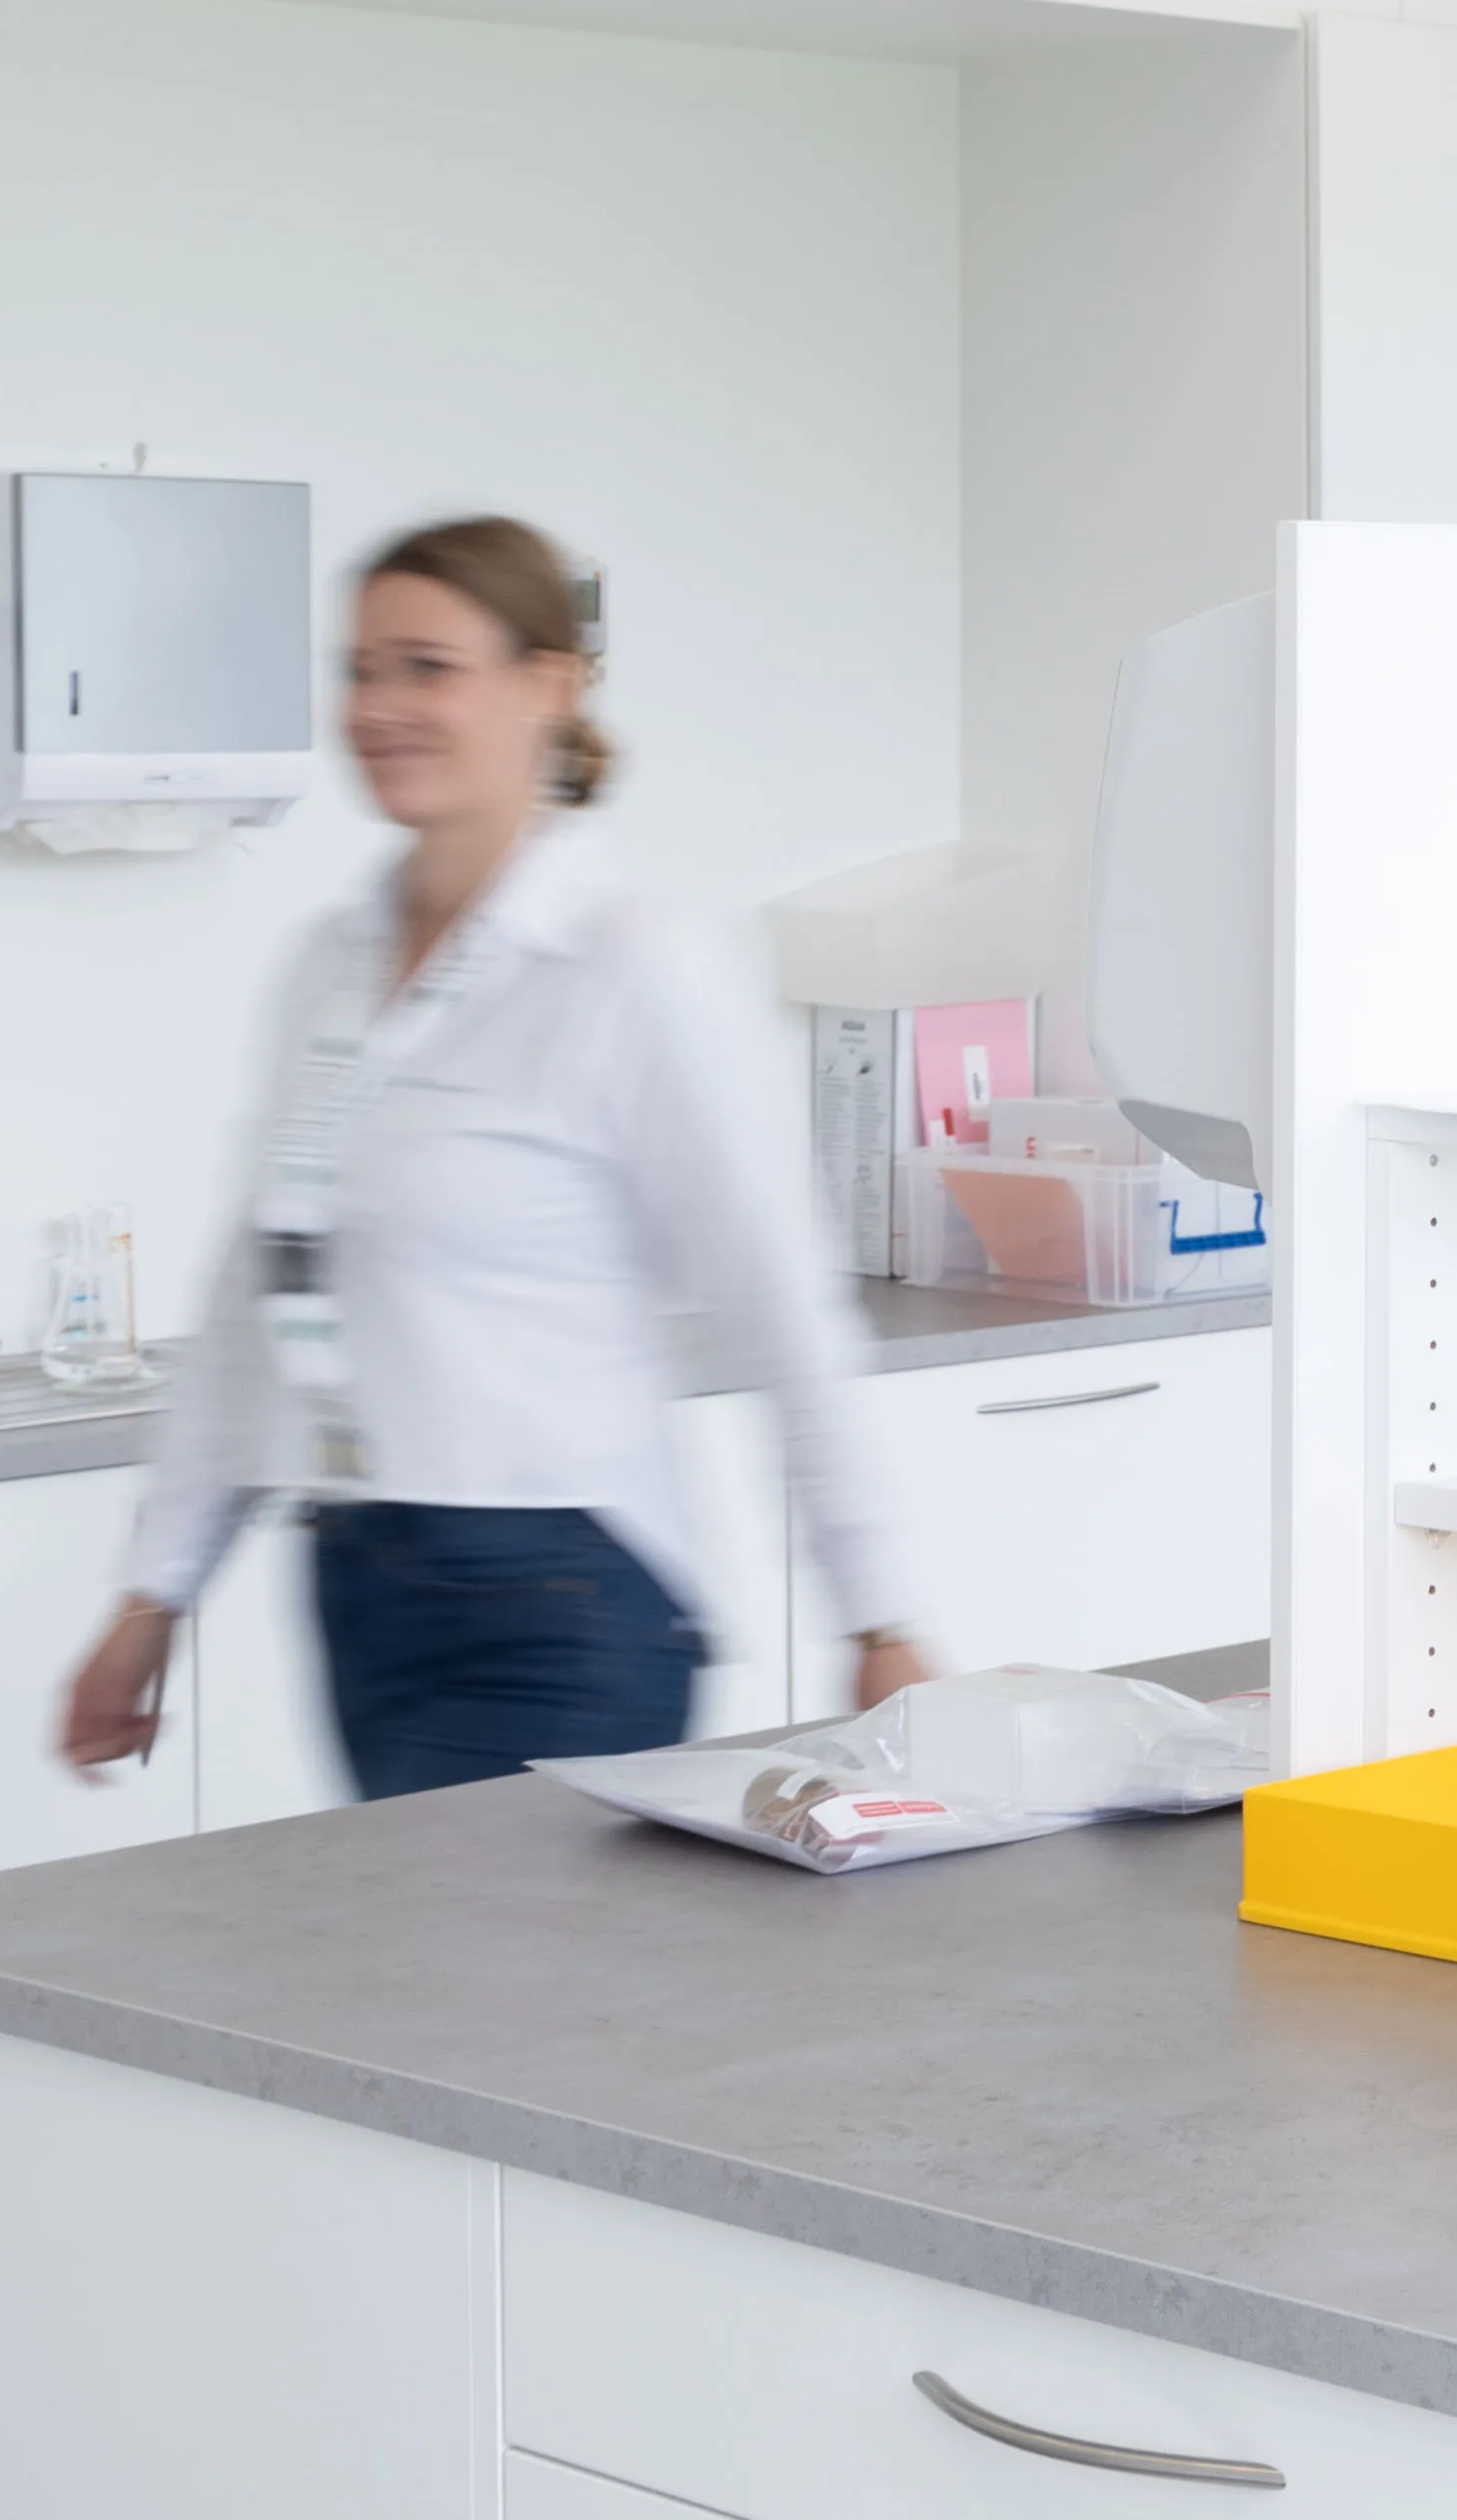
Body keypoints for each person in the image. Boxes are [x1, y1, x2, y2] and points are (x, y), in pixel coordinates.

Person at [56, 515, 924, 1796]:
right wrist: (152, 1595)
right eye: (359, 669)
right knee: (409, 1994)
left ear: (547, 686)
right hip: (358, 1582)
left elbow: (778, 1302)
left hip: (562, 1603)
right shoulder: (331, 969)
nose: (380, 705)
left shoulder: (631, 964)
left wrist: (880, 1617)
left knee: (463, 1992)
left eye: (427, 666)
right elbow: (261, 1303)